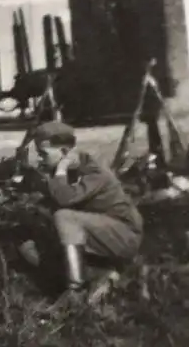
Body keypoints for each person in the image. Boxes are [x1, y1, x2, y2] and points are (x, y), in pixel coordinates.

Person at [20, 121, 144, 300]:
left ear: (64, 153)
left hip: (124, 235)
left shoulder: (93, 171)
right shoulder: (67, 171)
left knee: (64, 217)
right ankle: (100, 275)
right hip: (98, 233)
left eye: (43, 154)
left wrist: (61, 169)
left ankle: (75, 291)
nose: (39, 159)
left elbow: (64, 198)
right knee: (31, 246)